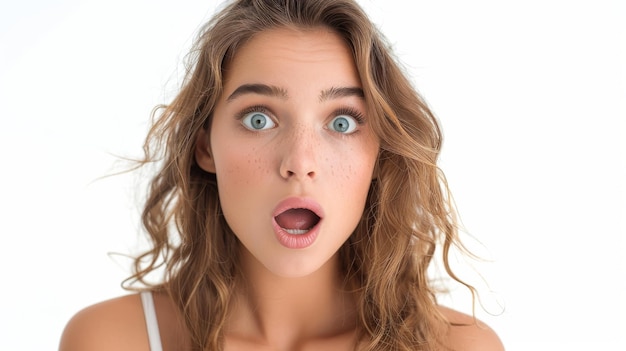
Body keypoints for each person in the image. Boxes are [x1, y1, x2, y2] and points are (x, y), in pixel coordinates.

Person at [59, 0, 504, 350]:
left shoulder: (460, 346)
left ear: (381, 153)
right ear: (204, 146)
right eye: (259, 119)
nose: (300, 162)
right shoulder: (111, 340)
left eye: (342, 122)